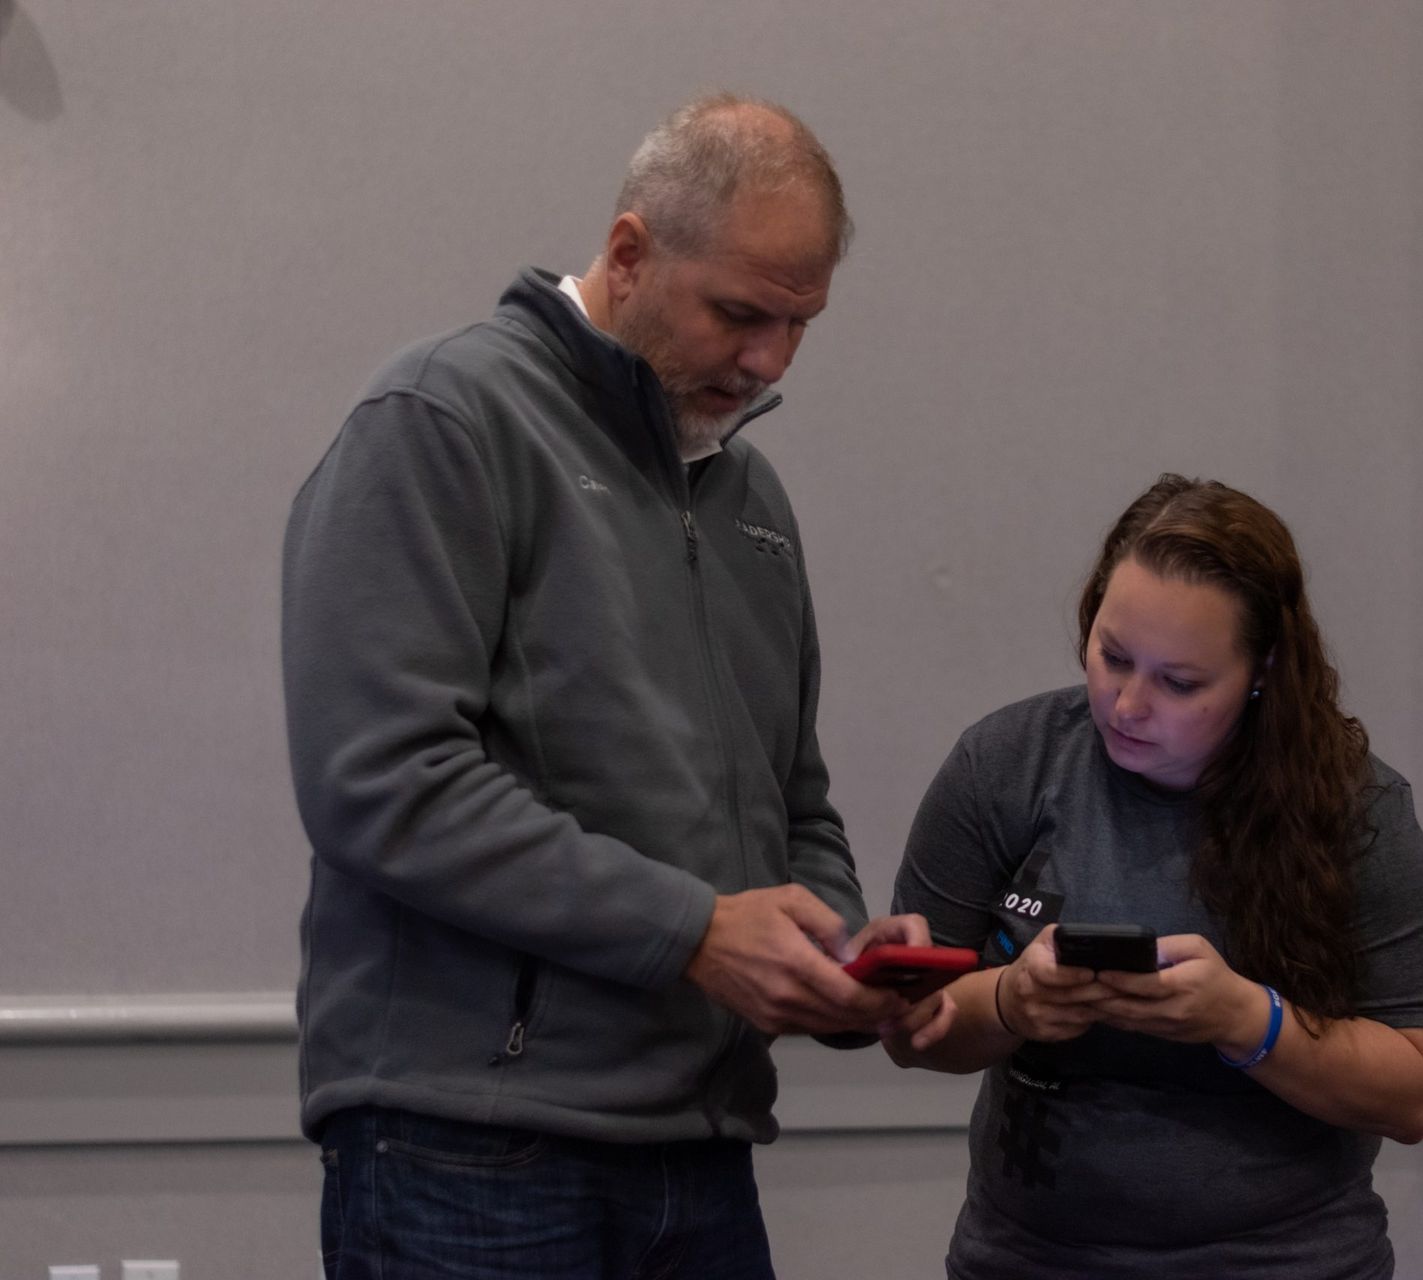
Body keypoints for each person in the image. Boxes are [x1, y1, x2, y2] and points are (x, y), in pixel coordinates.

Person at [282, 94, 944, 1280]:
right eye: (741, 313)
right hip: (466, 1154)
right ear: (630, 253)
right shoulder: (441, 420)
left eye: (801, 324)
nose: (768, 362)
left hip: (700, 1151)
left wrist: (836, 955)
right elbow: (382, 782)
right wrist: (692, 930)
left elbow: (794, 807)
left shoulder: (754, 506)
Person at [885, 474, 1423, 1279]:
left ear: (1263, 673)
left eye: (1180, 683)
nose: (1125, 705)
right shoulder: (1005, 766)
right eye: (1111, 657)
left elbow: (1413, 1094)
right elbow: (912, 1031)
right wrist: (1015, 999)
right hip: (1029, 1259)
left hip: (1289, 1262)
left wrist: (1244, 1021)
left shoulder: (1357, 809)